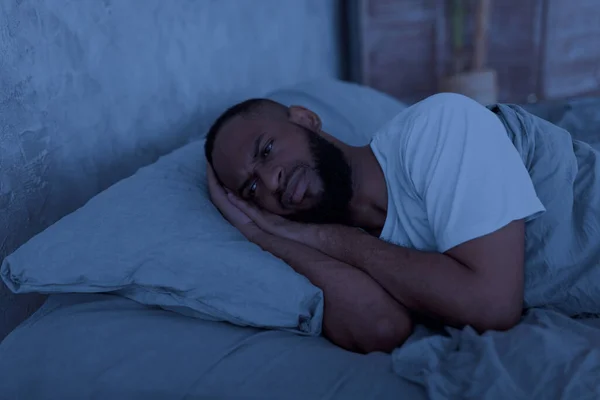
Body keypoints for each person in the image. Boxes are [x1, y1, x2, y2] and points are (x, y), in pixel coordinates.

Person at [204, 92, 549, 354]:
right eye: (250, 189)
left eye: (266, 150)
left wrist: (332, 240)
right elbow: (380, 326)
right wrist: (260, 234)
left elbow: (493, 306)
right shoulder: (327, 243)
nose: (270, 180)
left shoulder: (437, 125)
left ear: (306, 119)